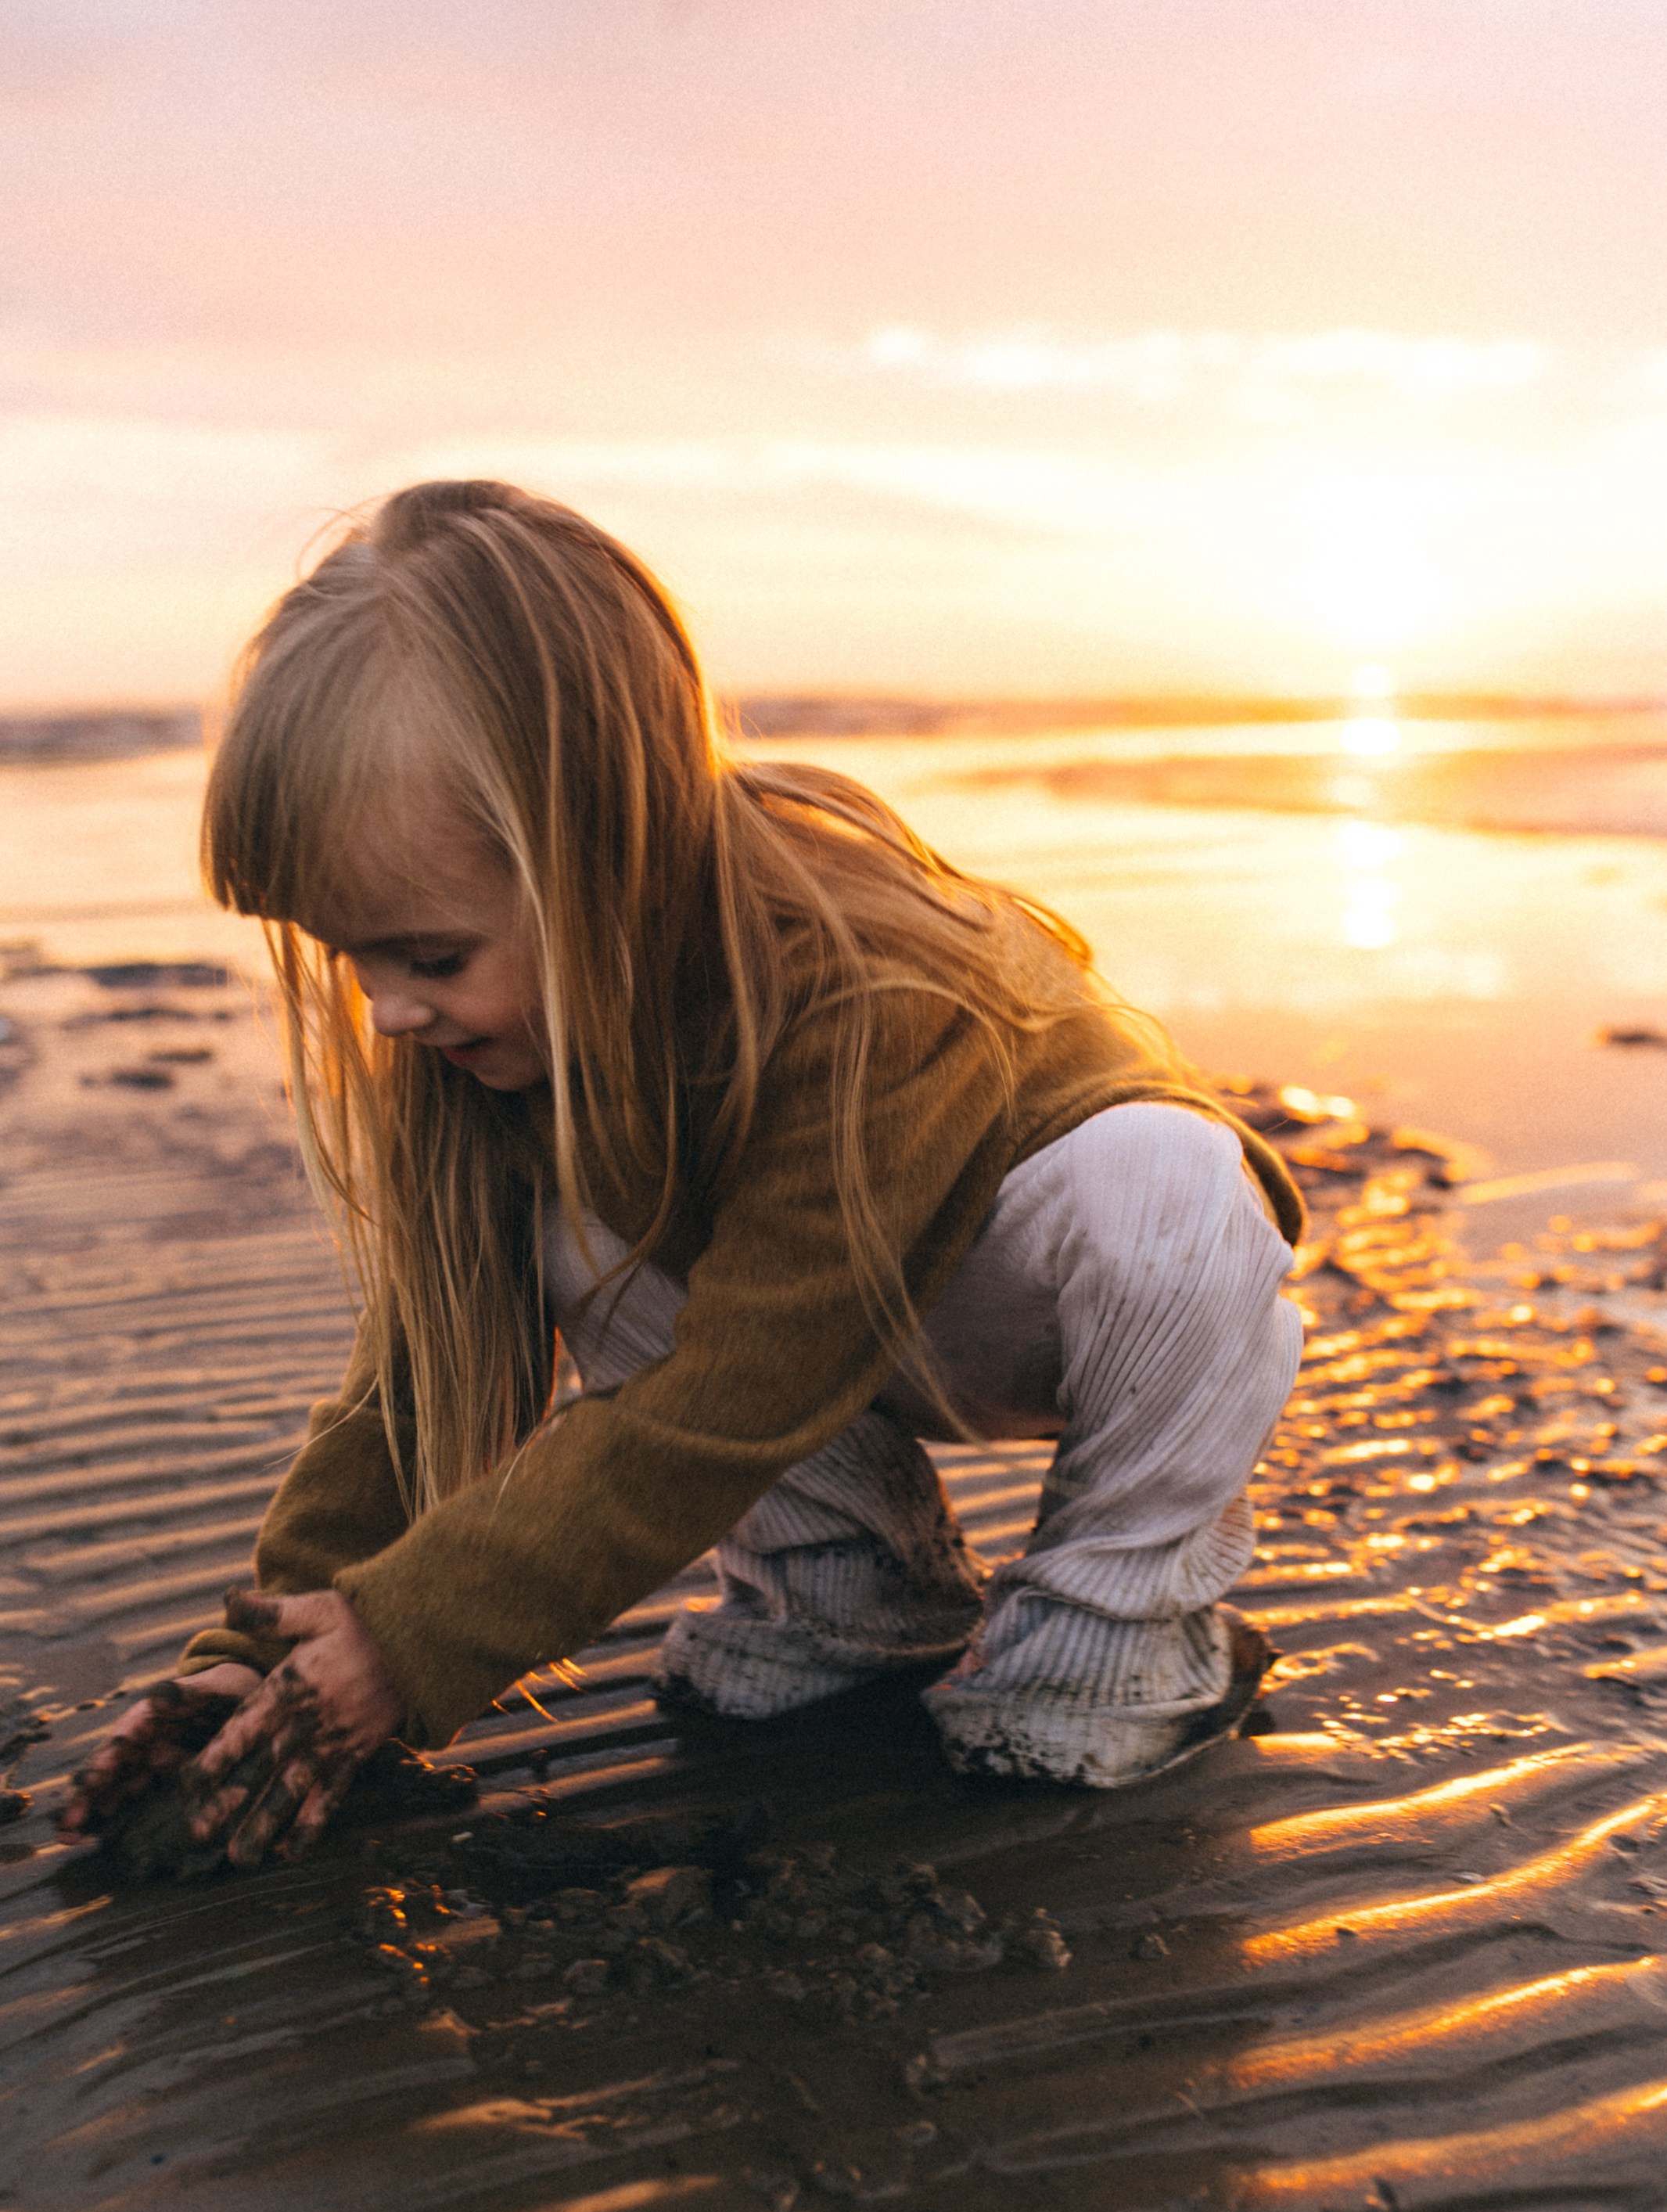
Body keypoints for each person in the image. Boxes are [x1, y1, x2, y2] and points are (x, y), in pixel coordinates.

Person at [60, 480, 1304, 1871]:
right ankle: (845, 1589)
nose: (391, 1010)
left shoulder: (872, 982)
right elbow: (419, 1363)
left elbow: (740, 1389)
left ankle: (1116, 1621)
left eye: (428, 956)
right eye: (356, 960)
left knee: (1166, 1180)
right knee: (562, 1229)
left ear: (601, 850)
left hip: (1029, 1298)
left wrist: (411, 1641)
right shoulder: (505, 1041)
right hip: (807, 1324)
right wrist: (266, 1652)